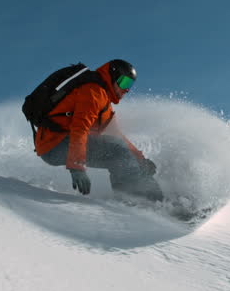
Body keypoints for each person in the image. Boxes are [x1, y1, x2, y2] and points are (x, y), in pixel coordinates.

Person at [33, 59, 163, 200]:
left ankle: (155, 199)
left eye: (129, 84)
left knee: (124, 153)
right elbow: (80, 128)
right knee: (119, 153)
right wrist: (76, 166)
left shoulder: (104, 101)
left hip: (62, 144)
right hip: (54, 144)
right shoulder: (93, 92)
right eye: (124, 82)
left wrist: (141, 160)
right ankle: (134, 198)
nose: (126, 89)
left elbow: (117, 136)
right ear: (113, 76)